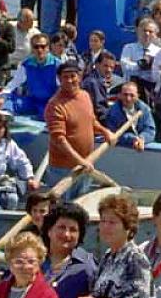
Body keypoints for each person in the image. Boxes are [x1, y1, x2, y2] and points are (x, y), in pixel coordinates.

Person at [43, 61, 114, 200]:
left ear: (79, 77)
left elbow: (91, 121)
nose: (70, 80)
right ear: (59, 79)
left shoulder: (85, 96)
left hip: (87, 165)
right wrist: (80, 161)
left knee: (81, 207)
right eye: (65, 77)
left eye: (73, 76)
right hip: (63, 170)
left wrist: (105, 132)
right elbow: (59, 140)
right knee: (61, 211)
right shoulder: (55, 105)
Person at [0, 110, 38, 210]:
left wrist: (30, 178)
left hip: (1, 183)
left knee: (12, 198)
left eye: (0, 127)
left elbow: (22, 161)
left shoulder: (8, 144)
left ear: (5, 130)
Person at [0, 32, 59, 120]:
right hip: (32, 101)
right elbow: (14, 83)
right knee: (10, 100)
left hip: (50, 102)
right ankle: (5, 116)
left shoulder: (57, 65)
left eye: (43, 46)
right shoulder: (26, 64)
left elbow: (64, 89)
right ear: (32, 49)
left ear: (48, 48)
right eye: (36, 47)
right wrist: (2, 96)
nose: (40, 50)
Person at [104, 80, 156, 151]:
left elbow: (150, 130)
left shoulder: (145, 109)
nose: (128, 99)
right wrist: (132, 139)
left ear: (138, 96)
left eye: (132, 95)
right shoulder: (112, 112)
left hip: (143, 149)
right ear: (120, 95)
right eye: (125, 94)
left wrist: (142, 138)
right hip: (120, 151)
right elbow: (113, 133)